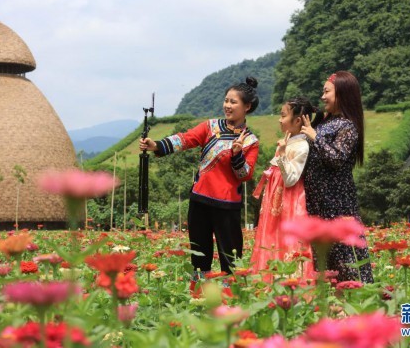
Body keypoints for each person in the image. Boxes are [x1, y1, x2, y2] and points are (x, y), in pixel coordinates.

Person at [139, 77, 260, 284]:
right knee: (199, 253)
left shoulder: (250, 141)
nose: (227, 106)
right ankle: (198, 295)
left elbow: (245, 175)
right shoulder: (210, 126)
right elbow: (185, 139)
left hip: (227, 205)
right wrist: (156, 145)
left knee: (230, 255)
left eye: (233, 102)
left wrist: (237, 154)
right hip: (200, 200)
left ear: (247, 106)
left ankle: (230, 298)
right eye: (226, 101)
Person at [300, 71, 373, 283]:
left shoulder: (348, 126)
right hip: (317, 203)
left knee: (345, 260)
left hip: (338, 204)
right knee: (322, 262)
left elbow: (336, 159)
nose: (322, 97)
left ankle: (355, 304)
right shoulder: (322, 123)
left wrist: (315, 137)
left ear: (342, 93)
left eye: (327, 92)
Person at [250, 97, 316, 282]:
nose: (279, 119)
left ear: (297, 121)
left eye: (283, 115)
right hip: (276, 203)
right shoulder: (288, 142)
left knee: (288, 241)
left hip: (290, 203)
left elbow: (291, 180)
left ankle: (293, 288)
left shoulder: (302, 145)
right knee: (272, 239)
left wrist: (282, 154)